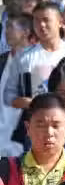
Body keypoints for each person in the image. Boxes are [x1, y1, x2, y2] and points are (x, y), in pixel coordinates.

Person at [4, 2, 65, 113]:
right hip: (37, 119)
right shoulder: (23, 57)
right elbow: (8, 95)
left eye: (46, 20)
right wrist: (30, 103)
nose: (41, 25)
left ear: (61, 22)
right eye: (37, 20)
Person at [0, 12, 31, 154]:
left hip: (19, 142)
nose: (6, 31)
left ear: (25, 32)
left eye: (10, 27)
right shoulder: (2, 60)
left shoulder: (33, 62)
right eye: (5, 27)